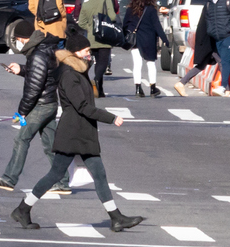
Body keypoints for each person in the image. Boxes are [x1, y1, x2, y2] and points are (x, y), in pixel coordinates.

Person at [11, 27, 144, 233]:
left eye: (89, 51)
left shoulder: (78, 71)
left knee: (99, 174)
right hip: (73, 132)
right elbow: (81, 106)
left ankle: (116, 218)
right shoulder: (68, 75)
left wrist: (87, 64)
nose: (89, 54)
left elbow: (84, 92)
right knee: (55, 175)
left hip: (83, 131)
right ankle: (23, 208)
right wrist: (111, 118)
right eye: (85, 51)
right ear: (74, 53)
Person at [0, 18, 58, 193]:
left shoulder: (37, 54)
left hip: (40, 105)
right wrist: (22, 69)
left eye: (17, 39)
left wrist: (21, 112)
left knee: (21, 139)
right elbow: (40, 73)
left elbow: (34, 87)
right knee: (51, 145)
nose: (16, 43)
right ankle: (62, 182)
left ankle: (9, 179)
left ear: (23, 38)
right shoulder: (43, 49)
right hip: (50, 102)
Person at [121, 0, 164, 99]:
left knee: (137, 64)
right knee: (151, 64)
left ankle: (138, 88)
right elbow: (157, 26)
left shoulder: (131, 9)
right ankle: (153, 88)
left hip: (135, 41)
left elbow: (125, 24)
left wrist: (124, 36)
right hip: (149, 40)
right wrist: (165, 40)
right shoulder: (151, 9)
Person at [77, 0, 118, 97]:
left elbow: (82, 22)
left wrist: (90, 28)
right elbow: (113, 17)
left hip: (91, 37)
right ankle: (96, 80)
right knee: (103, 63)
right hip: (105, 37)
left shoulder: (86, 4)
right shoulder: (107, 1)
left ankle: (99, 90)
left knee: (96, 62)